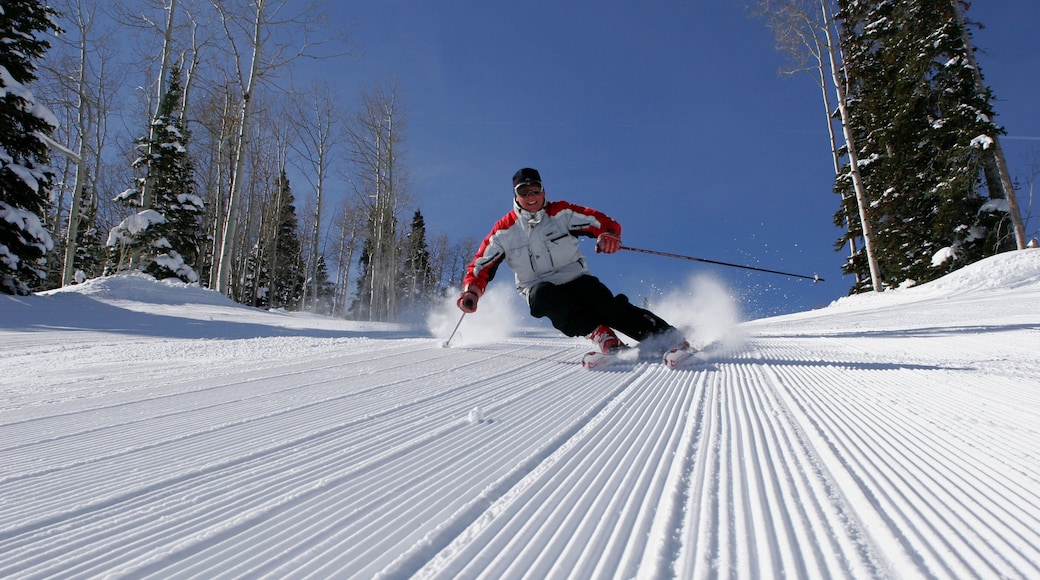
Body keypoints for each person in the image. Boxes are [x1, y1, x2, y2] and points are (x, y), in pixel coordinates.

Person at [457, 167, 690, 358]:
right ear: (515, 196)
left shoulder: (561, 213)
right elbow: (480, 265)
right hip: (537, 286)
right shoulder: (504, 231)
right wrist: (472, 292)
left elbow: (600, 221)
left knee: (607, 307)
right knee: (543, 296)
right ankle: (602, 336)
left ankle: (667, 337)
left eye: (535, 190)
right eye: (524, 191)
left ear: (543, 191)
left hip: (576, 278)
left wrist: (608, 234)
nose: (531, 197)